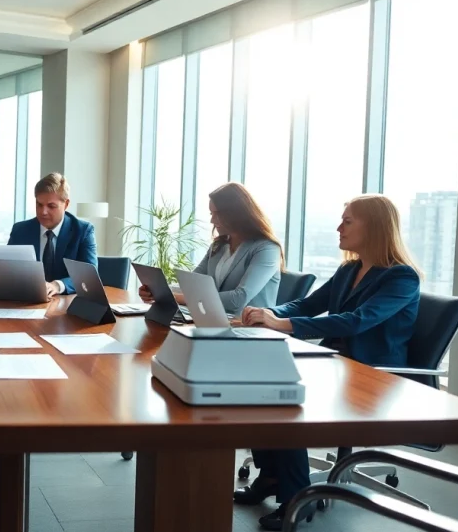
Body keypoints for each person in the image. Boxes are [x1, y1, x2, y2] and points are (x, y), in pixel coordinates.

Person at [235, 194, 421, 530]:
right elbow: (307, 305)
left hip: (374, 377)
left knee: (287, 401)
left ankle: (297, 499)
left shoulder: (401, 278)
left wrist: (282, 324)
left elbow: (356, 321)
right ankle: (272, 476)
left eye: (347, 221)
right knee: (259, 384)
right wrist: (268, 313)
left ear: (375, 227)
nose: (339, 228)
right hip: (336, 365)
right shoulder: (350, 269)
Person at [139, 182, 283, 316]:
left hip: (248, 328)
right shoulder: (219, 245)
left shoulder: (267, 249)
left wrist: (177, 298)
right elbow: (193, 283)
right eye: (211, 214)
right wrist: (159, 292)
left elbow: (238, 299)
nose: (212, 220)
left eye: (218, 214)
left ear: (237, 213)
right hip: (214, 319)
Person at [6, 172, 97, 297]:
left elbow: (89, 277)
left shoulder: (82, 231)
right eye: (39, 205)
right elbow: (1, 275)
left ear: (66, 204)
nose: (43, 212)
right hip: (27, 301)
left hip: (66, 303)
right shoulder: (20, 230)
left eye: (51, 206)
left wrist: (58, 285)